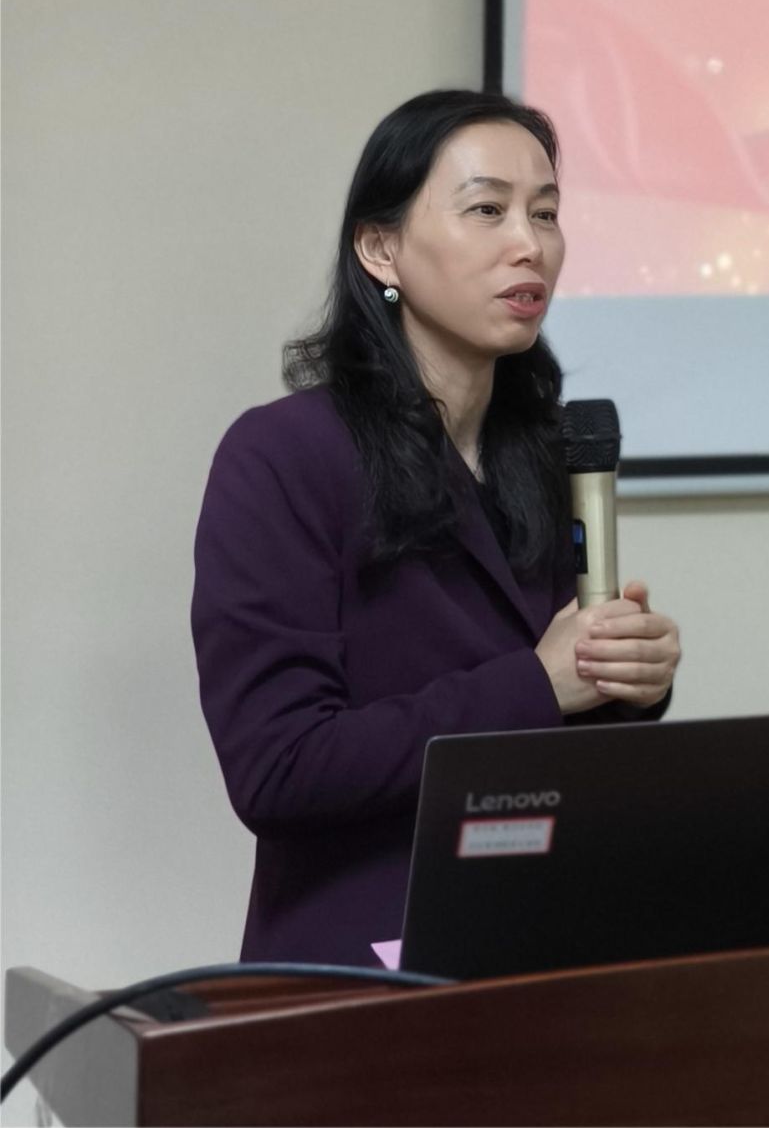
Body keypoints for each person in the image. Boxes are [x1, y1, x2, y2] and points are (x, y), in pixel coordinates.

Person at [191, 90, 681, 964]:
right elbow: (278, 767)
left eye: (546, 213)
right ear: (381, 248)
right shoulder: (283, 454)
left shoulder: (544, 452)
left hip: (543, 939)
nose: (529, 244)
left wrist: (625, 683)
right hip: (363, 965)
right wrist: (540, 682)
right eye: (487, 210)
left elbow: (555, 747)